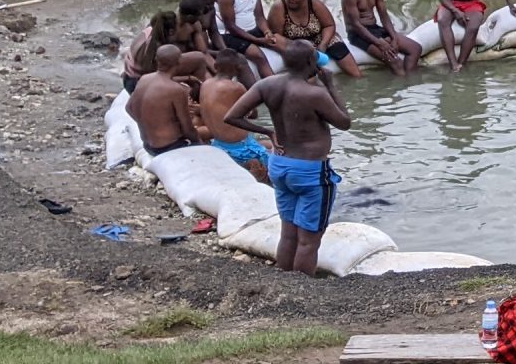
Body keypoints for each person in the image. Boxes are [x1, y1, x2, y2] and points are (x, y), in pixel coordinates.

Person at [217, 41, 354, 275]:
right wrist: (331, 86)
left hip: (279, 165)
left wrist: (268, 131)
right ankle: (301, 291)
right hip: (310, 171)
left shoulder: (267, 85)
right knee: (309, 241)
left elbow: (232, 116)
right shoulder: (314, 93)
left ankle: (282, 283)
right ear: (311, 62)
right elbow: (344, 122)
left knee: (288, 233)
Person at [194, 50, 272, 181]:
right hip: (241, 148)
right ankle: (255, 170)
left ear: (215, 66)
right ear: (238, 69)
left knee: (269, 145)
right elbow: (254, 114)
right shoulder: (236, 87)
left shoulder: (205, 84)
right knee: (279, 160)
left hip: (219, 144)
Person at [341, 0, 423, 76]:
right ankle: (402, 86)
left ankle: (410, 83)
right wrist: (379, 43)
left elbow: (384, 16)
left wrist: (393, 37)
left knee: (415, 49)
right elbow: (356, 24)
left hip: (374, 29)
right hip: (357, 34)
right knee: (395, 61)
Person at [270, 0, 362, 78]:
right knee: (305, 60)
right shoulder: (279, 6)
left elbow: (329, 25)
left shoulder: (313, 2)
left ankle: (358, 77)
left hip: (318, 37)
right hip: (295, 43)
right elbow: (276, 35)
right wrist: (302, 48)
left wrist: (323, 44)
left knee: (337, 46)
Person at [125, 44, 204, 157]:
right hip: (168, 147)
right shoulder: (176, 90)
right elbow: (188, 129)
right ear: (179, 62)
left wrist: (148, 124)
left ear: (157, 60)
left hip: (148, 145)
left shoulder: (144, 79)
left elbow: (128, 108)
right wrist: (200, 144)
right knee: (204, 134)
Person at [217, 0, 276, 81]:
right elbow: (231, 26)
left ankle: (312, 67)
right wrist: (257, 40)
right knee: (259, 56)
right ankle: (274, 89)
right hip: (230, 35)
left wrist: (267, 32)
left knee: (279, 41)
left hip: (251, 30)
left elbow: (259, 16)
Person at [122, 9, 177, 94]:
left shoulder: (150, 30)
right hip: (135, 84)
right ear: (171, 31)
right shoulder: (155, 47)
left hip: (128, 78)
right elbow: (153, 74)